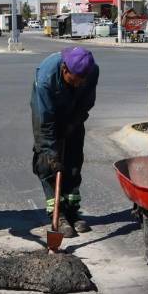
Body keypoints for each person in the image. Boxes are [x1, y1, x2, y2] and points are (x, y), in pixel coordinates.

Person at [31, 47, 99, 238]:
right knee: (48, 163)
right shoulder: (46, 79)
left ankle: (71, 211)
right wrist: (51, 153)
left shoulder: (91, 71)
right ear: (64, 70)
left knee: (74, 161)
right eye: (75, 79)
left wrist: (74, 123)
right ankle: (57, 214)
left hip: (73, 115)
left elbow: (87, 102)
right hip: (47, 114)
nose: (79, 84)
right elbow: (44, 122)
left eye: (82, 80)